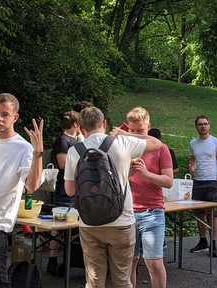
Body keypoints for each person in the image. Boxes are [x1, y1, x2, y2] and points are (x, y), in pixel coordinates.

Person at [63, 106, 161, 287]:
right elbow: (156, 143)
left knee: (94, 280)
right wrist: (127, 134)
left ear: (81, 129)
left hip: (89, 222)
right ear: (105, 124)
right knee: (122, 280)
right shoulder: (122, 143)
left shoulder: (73, 151)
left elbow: (69, 191)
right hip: (121, 220)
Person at [0, 93, 44, 287]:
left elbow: (32, 186)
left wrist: (38, 153)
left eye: (5, 114)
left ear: (15, 117)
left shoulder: (24, 148)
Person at [126, 107, 173, 288]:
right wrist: (124, 173)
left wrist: (147, 174)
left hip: (152, 211)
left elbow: (168, 181)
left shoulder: (161, 149)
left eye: (141, 131)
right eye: (132, 131)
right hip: (127, 212)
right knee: (129, 263)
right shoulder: (124, 148)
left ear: (149, 127)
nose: (136, 135)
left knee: (153, 262)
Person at [46, 110, 80, 276]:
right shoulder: (63, 140)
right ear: (75, 124)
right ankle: (52, 260)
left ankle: (68, 260)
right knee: (58, 223)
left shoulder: (74, 141)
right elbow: (62, 163)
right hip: (63, 188)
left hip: (75, 187)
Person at [188, 115, 217, 258]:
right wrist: (191, 178)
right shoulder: (193, 143)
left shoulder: (216, 142)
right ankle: (203, 241)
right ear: (196, 127)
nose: (203, 126)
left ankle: (213, 244)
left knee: (213, 215)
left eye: (205, 124)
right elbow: (191, 161)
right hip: (197, 182)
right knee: (199, 214)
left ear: (209, 125)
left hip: (211, 183)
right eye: (200, 124)